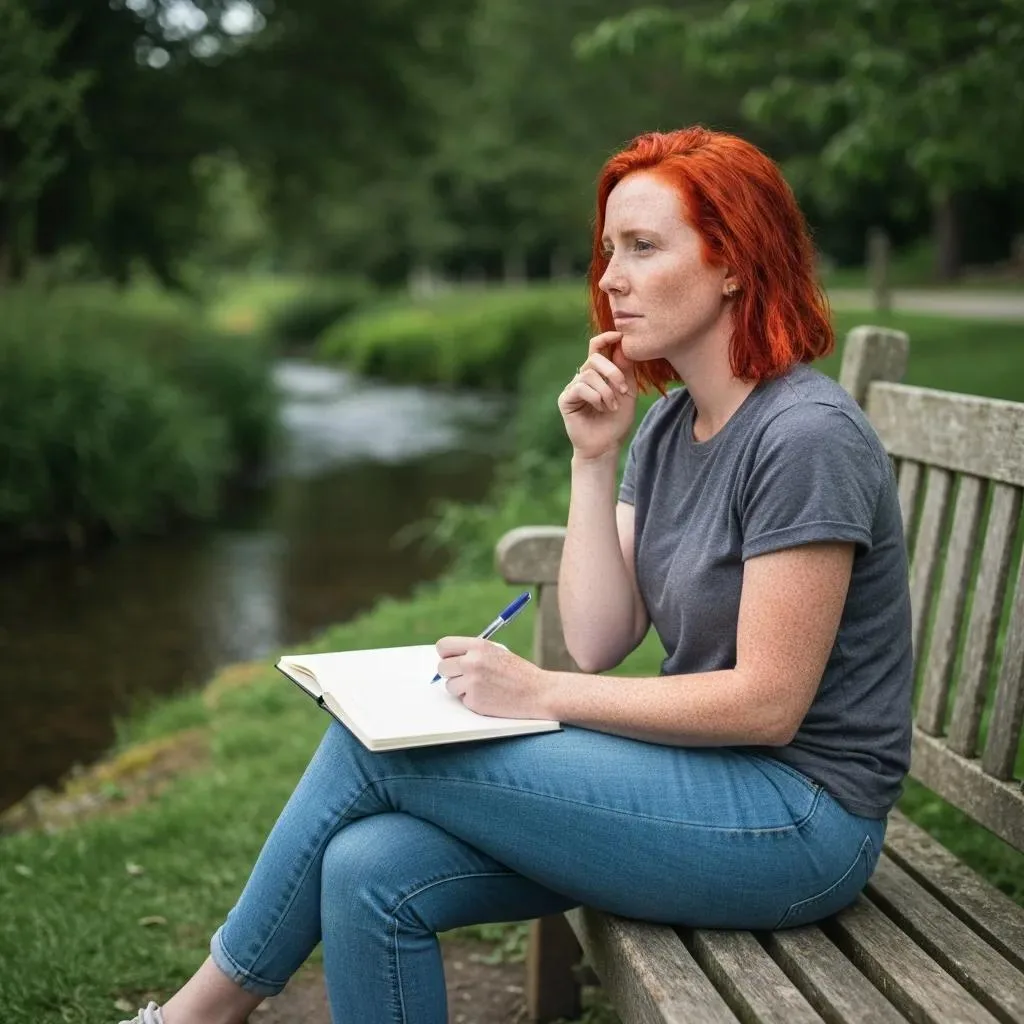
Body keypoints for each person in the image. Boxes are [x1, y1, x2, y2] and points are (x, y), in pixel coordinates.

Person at [121, 127, 913, 1024]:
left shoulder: (804, 436)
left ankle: (198, 1014)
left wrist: (542, 694)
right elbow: (601, 635)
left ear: (734, 261)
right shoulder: (664, 426)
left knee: (366, 741)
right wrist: (591, 461)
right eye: (609, 248)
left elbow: (768, 704)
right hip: (700, 781)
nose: (610, 276)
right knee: (365, 869)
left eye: (644, 247)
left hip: (799, 822)